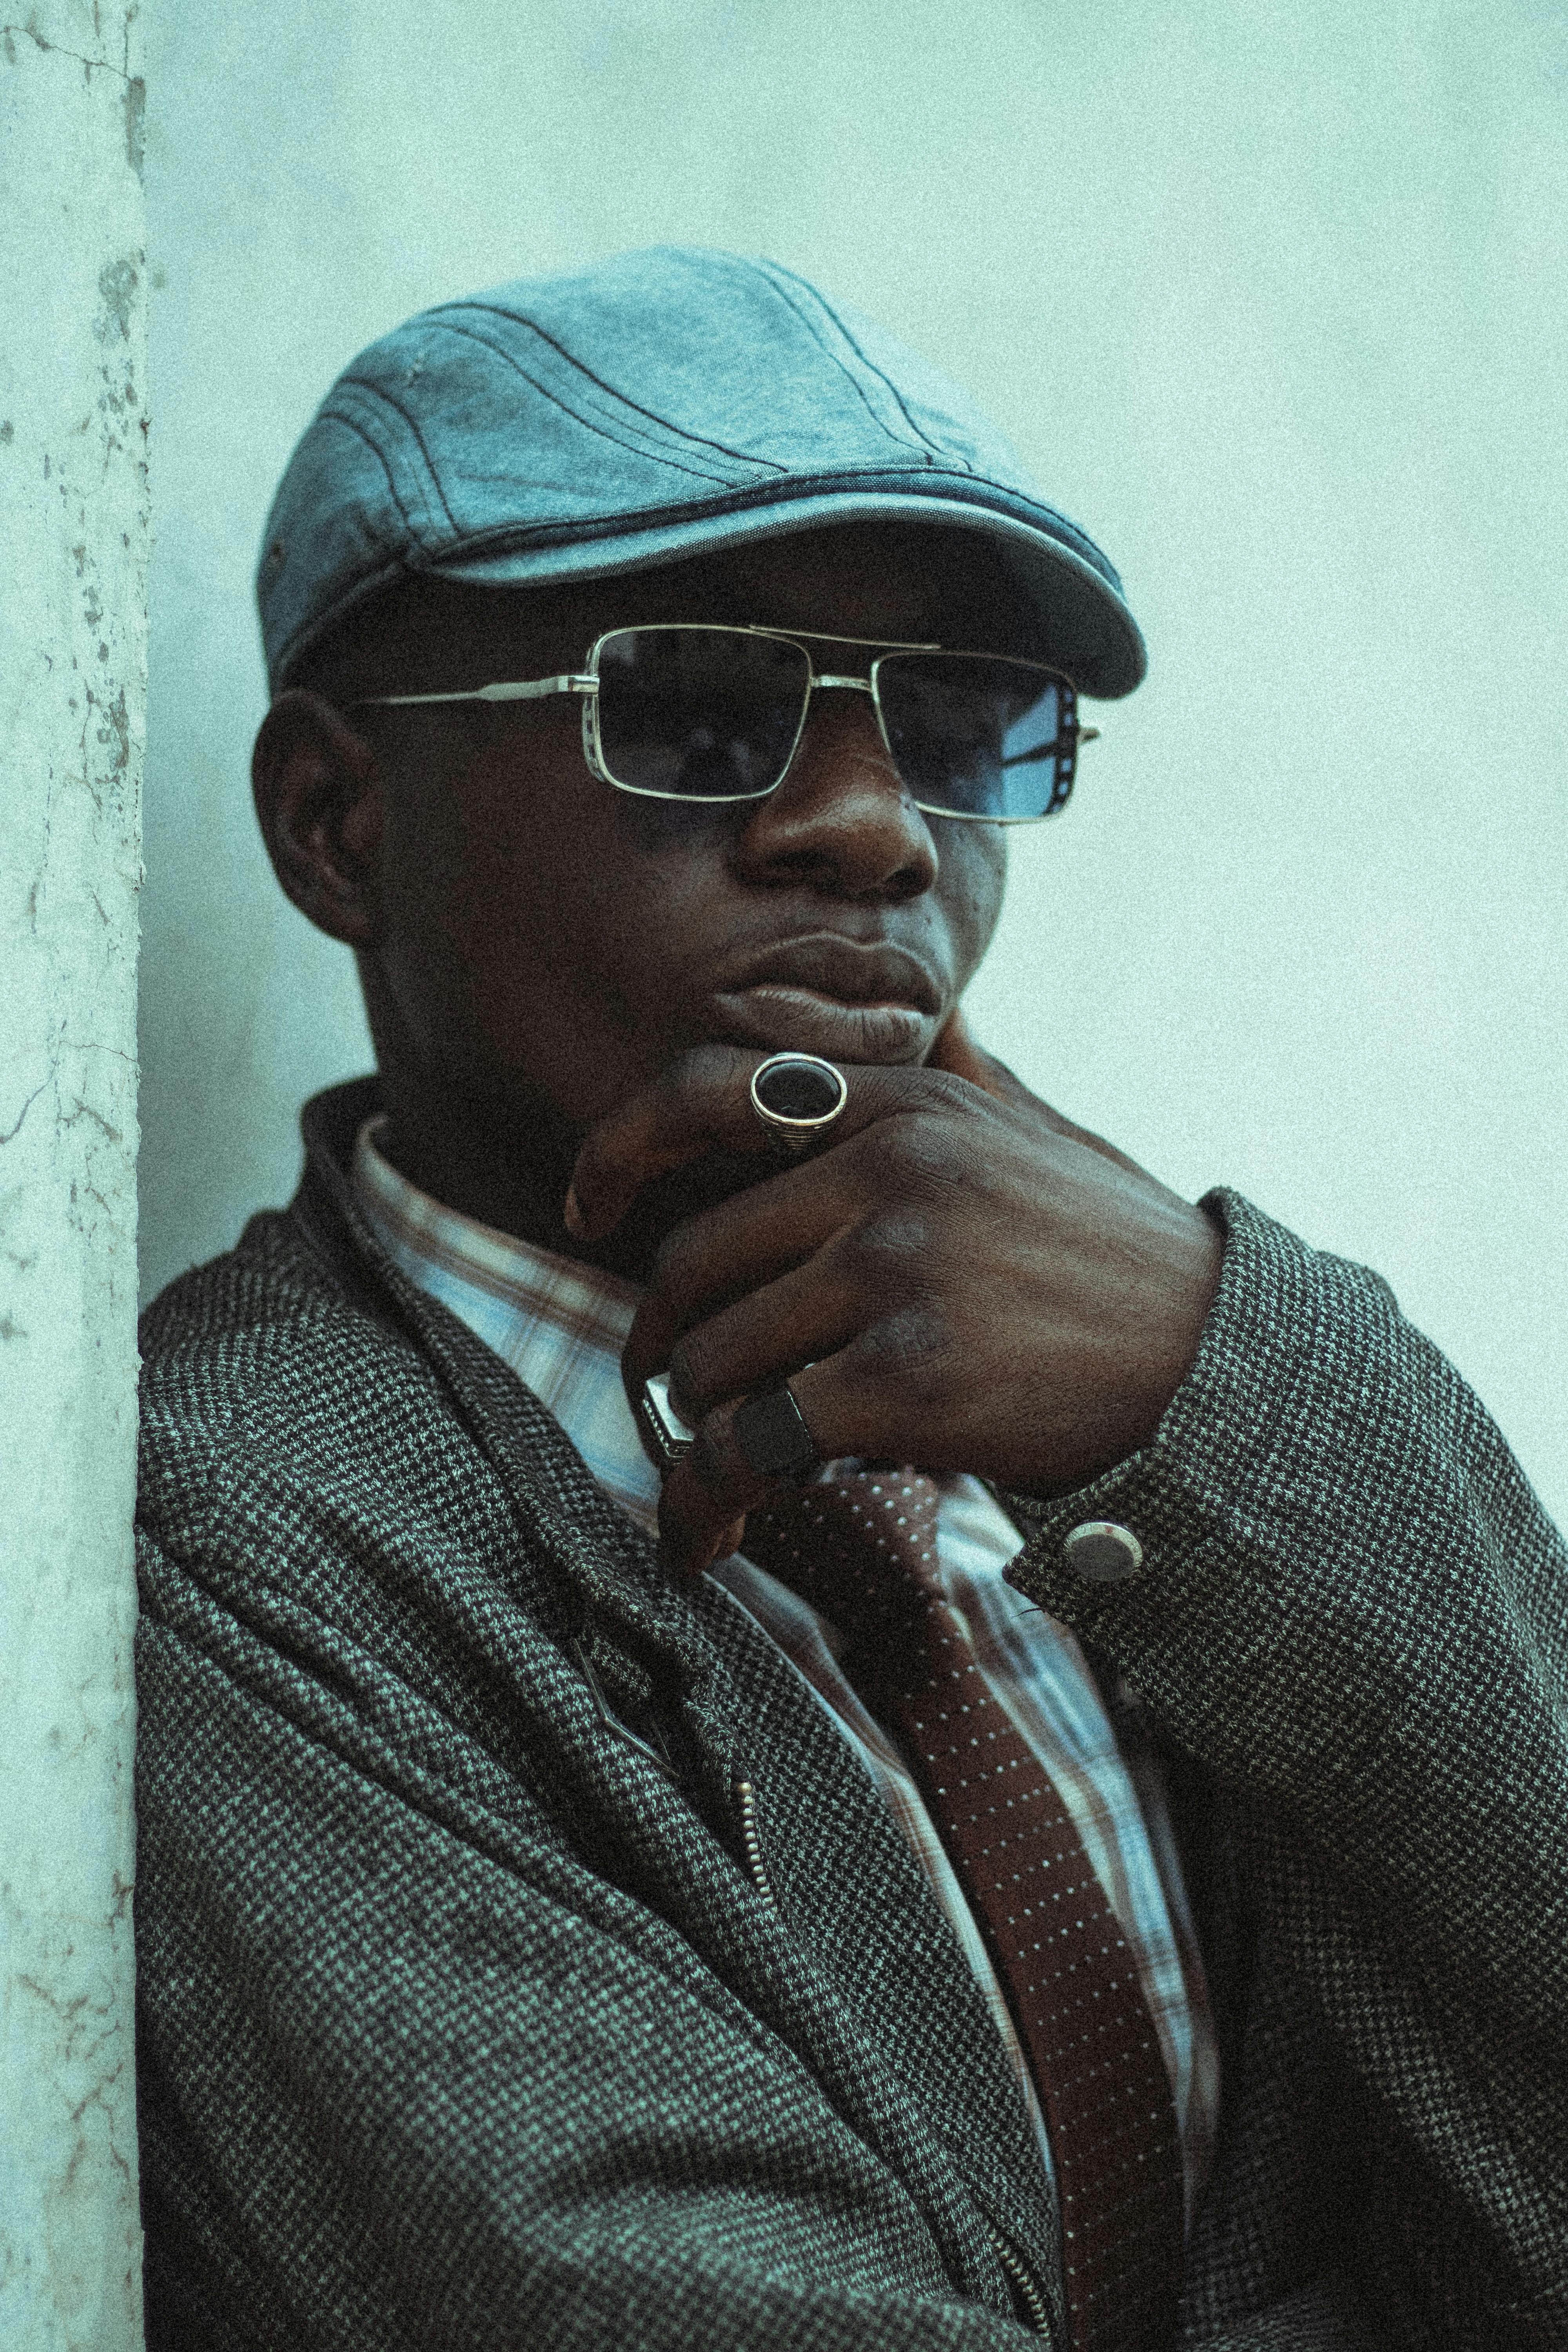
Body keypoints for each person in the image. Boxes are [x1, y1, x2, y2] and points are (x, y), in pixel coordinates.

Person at [133, 247, 1566, 2352]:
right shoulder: (221, 1538)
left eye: (964, 724)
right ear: (339, 825)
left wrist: (1224, 1375)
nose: (876, 825)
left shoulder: (1128, 1418)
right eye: (699, 704)